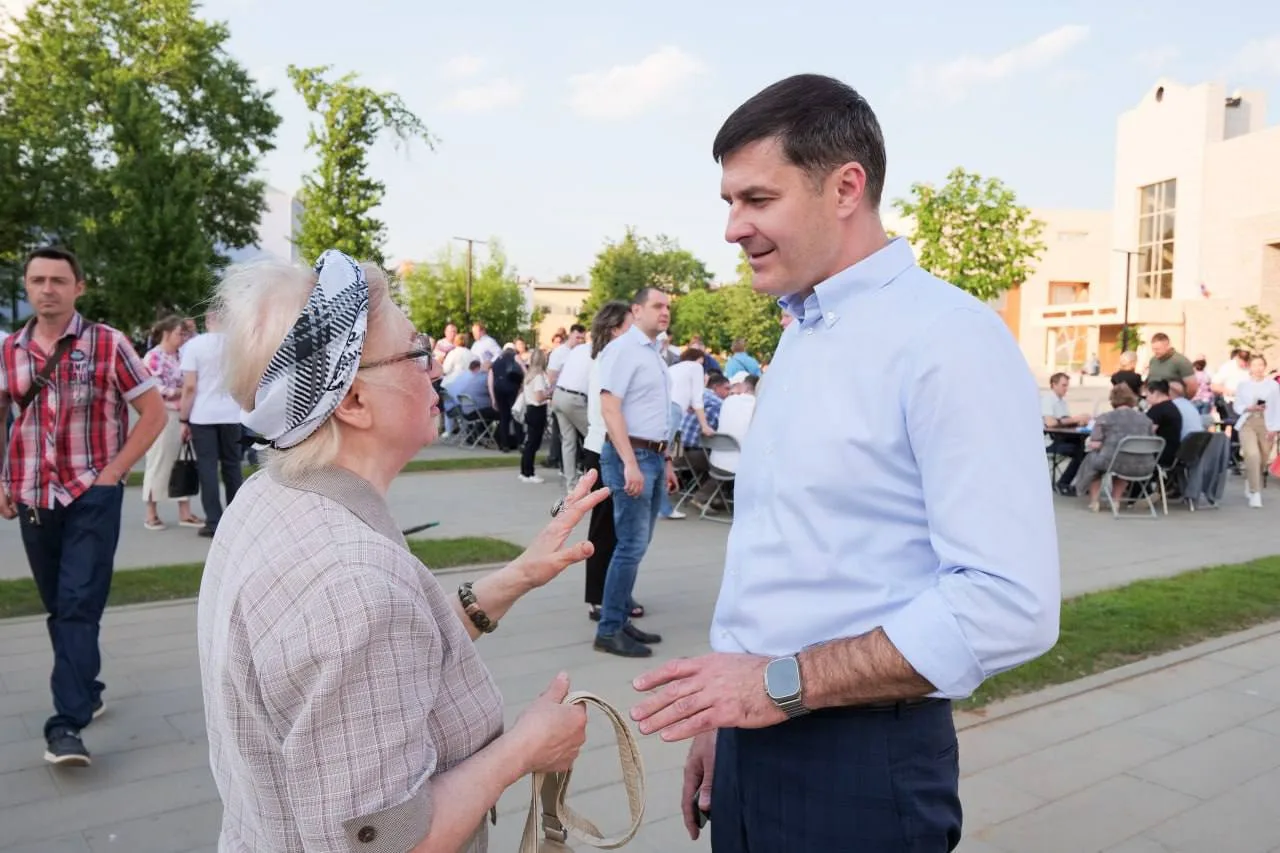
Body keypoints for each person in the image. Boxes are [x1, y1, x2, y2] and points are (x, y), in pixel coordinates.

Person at [628, 75, 1059, 851]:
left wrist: (774, 685)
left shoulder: (948, 339)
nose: (732, 227)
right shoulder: (804, 330)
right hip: (755, 735)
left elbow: (1007, 602)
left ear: (846, 189)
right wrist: (729, 714)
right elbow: (781, 552)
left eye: (757, 199)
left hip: (858, 764)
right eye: (728, 201)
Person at [199, 250, 608, 852]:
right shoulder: (349, 579)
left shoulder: (271, 495)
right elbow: (390, 843)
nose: (436, 369)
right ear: (352, 401)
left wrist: (517, 577)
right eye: (416, 353)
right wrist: (526, 748)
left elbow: (381, 658)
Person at [0, 246, 166, 766]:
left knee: (77, 602)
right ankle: (87, 690)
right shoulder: (9, 351)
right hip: (32, 496)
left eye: (58, 280)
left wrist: (113, 474)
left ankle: (66, 724)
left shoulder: (107, 343)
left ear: (79, 287)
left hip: (91, 493)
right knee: (61, 604)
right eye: (38, 280)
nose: (47, 289)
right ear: (27, 287)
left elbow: (154, 413)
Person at [593, 287, 678, 658]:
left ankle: (620, 617)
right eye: (657, 306)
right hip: (633, 455)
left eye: (668, 307)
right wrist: (629, 462)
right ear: (637, 310)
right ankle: (609, 629)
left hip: (652, 455)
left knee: (637, 544)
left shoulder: (651, 352)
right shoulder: (624, 349)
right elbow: (610, 408)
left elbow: (656, 412)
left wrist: (666, 459)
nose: (665, 312)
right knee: (629, 545)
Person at [582, 301, 646, 623]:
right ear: (614, 329)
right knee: (605, 529)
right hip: (604, 449)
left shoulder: (619, 358)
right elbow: (608, 413)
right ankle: (598, 597)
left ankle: (615, 592)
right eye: (630, 325)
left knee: (623, 531)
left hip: (614, 448)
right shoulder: (608, 359)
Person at [180, 310, 245, 538]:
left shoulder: (194, 346)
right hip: (231, 413)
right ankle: (237, 519)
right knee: (232, 467)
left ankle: (214, 520)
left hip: (203, 414)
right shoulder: (237, 346)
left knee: (207, 468)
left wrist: (183, 418)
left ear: (208, 321)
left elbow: (189, 387)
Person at [141, 315, 203, 530]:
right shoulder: (153, 357)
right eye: (179, 333)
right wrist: (180, 391)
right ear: (167, 333)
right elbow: (153, 387)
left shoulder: (182, 355)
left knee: (184, 461)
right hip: (164, 413)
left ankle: (184, 511)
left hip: (184, 413)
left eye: (185, 334)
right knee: (159, 460)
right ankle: (151, 512)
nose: (183, 338)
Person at [1072, 383, 1155, 512]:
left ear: (1113, 400)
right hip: (1143, 464)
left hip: (1112, 461)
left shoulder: (1105, 418)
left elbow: (1096, 443)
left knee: (1094, 459)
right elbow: (1151, 440)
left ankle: (1094, 501)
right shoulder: (1146, 419)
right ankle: (1115, 501)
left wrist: (1093, 444)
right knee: (1124, 460)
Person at [1233, 354, 1280, 509]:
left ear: (1265, 367)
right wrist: (1249, 407)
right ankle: (1255, 492)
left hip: (1266, 423)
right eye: (1254, 365)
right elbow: (1237, 406)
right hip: (1248, 422)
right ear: (1249, 367)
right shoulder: (1243, 385)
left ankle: (1251, 480)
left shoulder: (1273, 386)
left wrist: (1275, 428)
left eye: (1261, 365)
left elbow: (1277, 407)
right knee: (1252, 455)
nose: (1258, 368)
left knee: (1262, 458)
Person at [518, 348, 551, 483]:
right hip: (538, 410)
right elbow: (539, 397)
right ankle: (529, 472)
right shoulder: (538, 377)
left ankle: (524, 470)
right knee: (534, 443)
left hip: (530, 409)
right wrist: (549, 394)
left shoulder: (529, 376)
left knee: (530, 442)